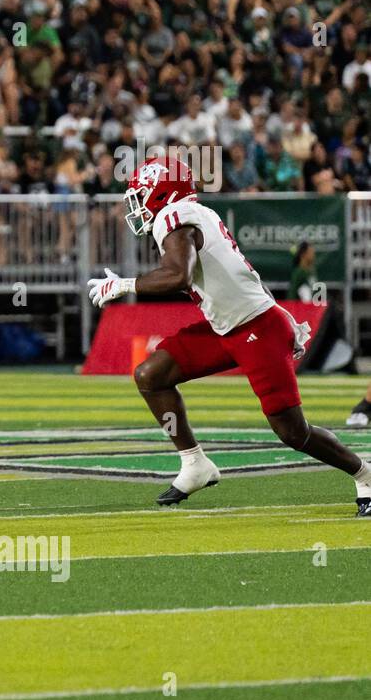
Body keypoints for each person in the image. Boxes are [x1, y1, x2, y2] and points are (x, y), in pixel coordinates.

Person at [88, 155, 371, 517]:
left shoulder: (175, 218)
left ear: (161, 194)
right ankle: (194, 464)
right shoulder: (199, 213)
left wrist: (123, 285)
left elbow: (179, 277)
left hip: (254, 329)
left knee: (292, 431)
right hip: (228, 327)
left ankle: (364, 473)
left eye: (141, 195)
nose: (137, 206)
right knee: (151, 375)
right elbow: (239, 274)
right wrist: (281, 311)